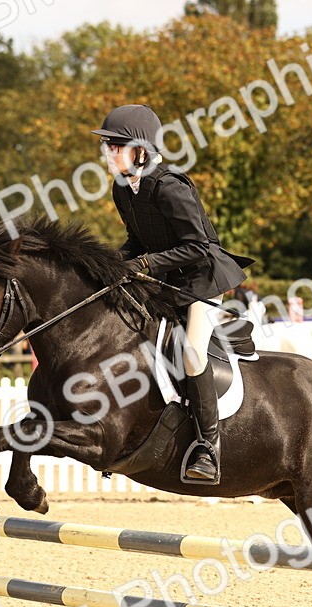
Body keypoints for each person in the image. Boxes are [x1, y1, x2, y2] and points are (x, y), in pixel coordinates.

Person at [93, 104, 252, 484]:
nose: (109, 153)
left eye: (116, 146)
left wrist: (143, 265)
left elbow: (197, 247)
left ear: (141, 151)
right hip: (164, 280)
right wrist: (112, 262)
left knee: (192, 356)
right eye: (108, 146)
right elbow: (137, 240)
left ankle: (208, 447)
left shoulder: (171, 186)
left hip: (198, 280)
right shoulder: (123, 189)